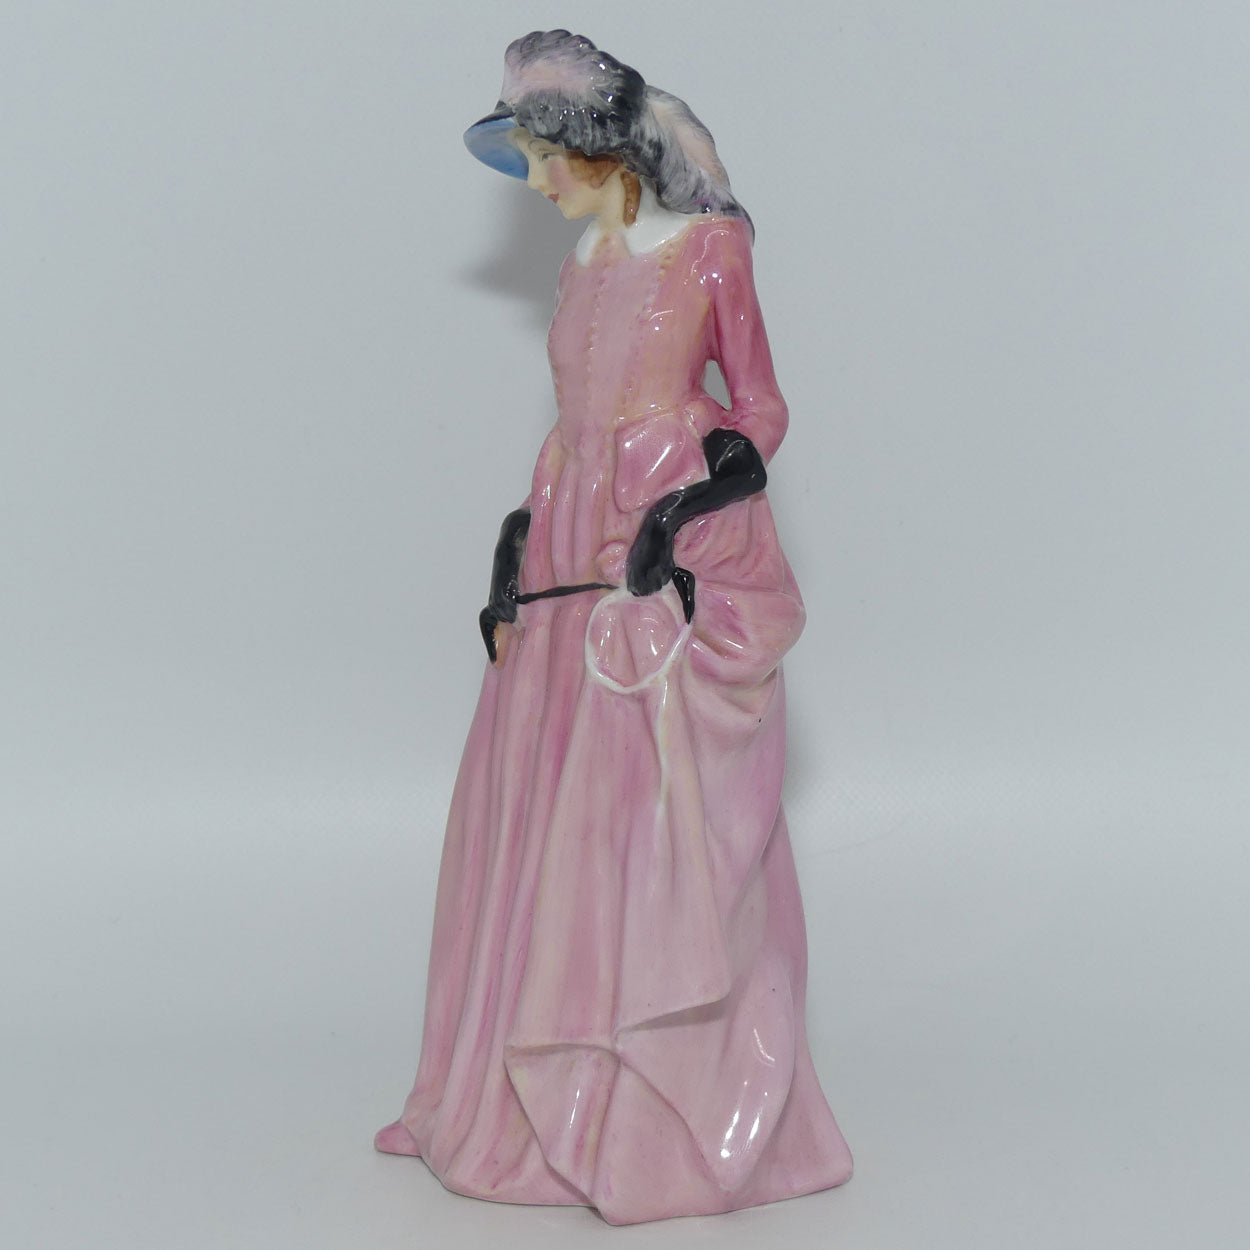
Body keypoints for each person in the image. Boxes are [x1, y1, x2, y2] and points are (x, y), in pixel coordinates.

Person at [375, 30, 853, 1224]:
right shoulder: (581, 261)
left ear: (600, 151)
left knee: (649, 798)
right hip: (567, 525)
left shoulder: (710, 251)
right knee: (549, 799)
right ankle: (520, 1088)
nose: (535, 182)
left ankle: (645, 1101)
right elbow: (572, 417)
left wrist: (680, 513)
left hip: (654, 537)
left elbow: (761, 408)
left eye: (547, 158)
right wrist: (515, 540)